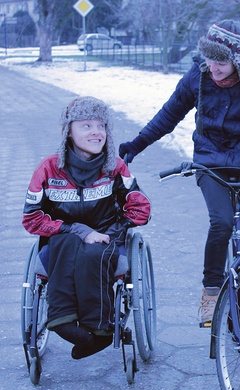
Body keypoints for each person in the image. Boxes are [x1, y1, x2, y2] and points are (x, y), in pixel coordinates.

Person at [119, 20, 240, 327]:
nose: (213, 68)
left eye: (221, 62)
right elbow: (170, 113)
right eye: (209, 59)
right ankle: (211, 292)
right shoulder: (199, 75)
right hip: (210, 163)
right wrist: (138, 143)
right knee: (221, 222)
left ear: (238, 60)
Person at [22, 96, 151, 358]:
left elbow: (141, 207)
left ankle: (100, 330)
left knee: (94, 253)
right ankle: (62, 321)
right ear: (68, 131)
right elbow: (31, 218)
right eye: (86, 125)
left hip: (106, 236)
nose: (96, 132)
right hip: (63, 235)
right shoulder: (48, 169)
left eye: (101, 126)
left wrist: (113, 231)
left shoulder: (115, 167)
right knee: (66, 245)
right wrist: (78, 230)